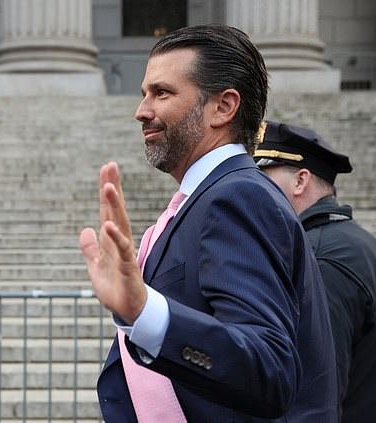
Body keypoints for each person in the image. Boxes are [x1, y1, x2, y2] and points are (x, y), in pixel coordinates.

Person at [79, 24, 337, 422]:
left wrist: (147, 312)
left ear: (223, 107)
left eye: (161, 93)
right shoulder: (206, 198)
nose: (141, 111)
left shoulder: (237, 197)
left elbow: (268, 366)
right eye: (144, 94)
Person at [253, 121, 376, 423]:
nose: (254, 189)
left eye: (264, 177)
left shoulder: (318, 258)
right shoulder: (355, 241)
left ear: (300, 181)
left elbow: (317, 393)